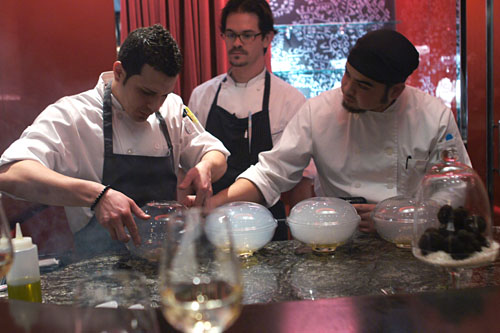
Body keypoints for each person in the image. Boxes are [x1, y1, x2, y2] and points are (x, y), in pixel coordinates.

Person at [208, 28, 471, 233]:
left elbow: (456, 186)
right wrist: (214, 204)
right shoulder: (319, 111)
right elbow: (271, 173)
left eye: (363, 86)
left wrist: (408, 217)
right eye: (347, 75)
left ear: (395, 91)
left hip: (411, 242)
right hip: (340, 241)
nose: (347, 89)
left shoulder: (433, 118)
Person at [0, 24, 229, 255]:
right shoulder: (73, 115)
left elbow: (216, 153)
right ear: (119, 72)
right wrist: (97, 195)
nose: (155, 106)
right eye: (146, 93)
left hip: (165, 266)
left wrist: (206, 167)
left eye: (164, 95)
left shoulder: (172, 108)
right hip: (99, 274)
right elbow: (10, 173)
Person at [188, 0, 313, 240]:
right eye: (231, 34)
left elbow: (299, 180)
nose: (236, 43)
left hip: (267, 228)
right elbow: (191, 165)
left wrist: (303, 239)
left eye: (247, 35)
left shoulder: (290, 100)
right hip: (209, 226)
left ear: (266, 38)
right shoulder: (202, 95)